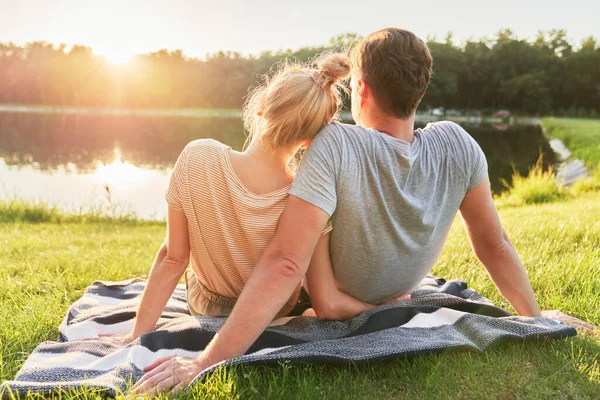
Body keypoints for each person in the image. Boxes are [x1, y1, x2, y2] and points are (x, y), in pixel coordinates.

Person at [132, 28, 590, 395]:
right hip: (385, 292)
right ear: (421, 86)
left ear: (362, 89)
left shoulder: (336, 144)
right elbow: (495, 244)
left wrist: (204, 361)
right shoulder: (460, 144)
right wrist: (534, 318)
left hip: (323, 296)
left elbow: (287, 262)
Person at [93, 53, 362, 348]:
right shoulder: (306, 199)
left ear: (261, 107)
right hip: (270, 314)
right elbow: (327, 302)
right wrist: (384, 304)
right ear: (310, 139)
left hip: (205, 305)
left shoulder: (198, 156)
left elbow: (174, 258)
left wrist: (137, 333)